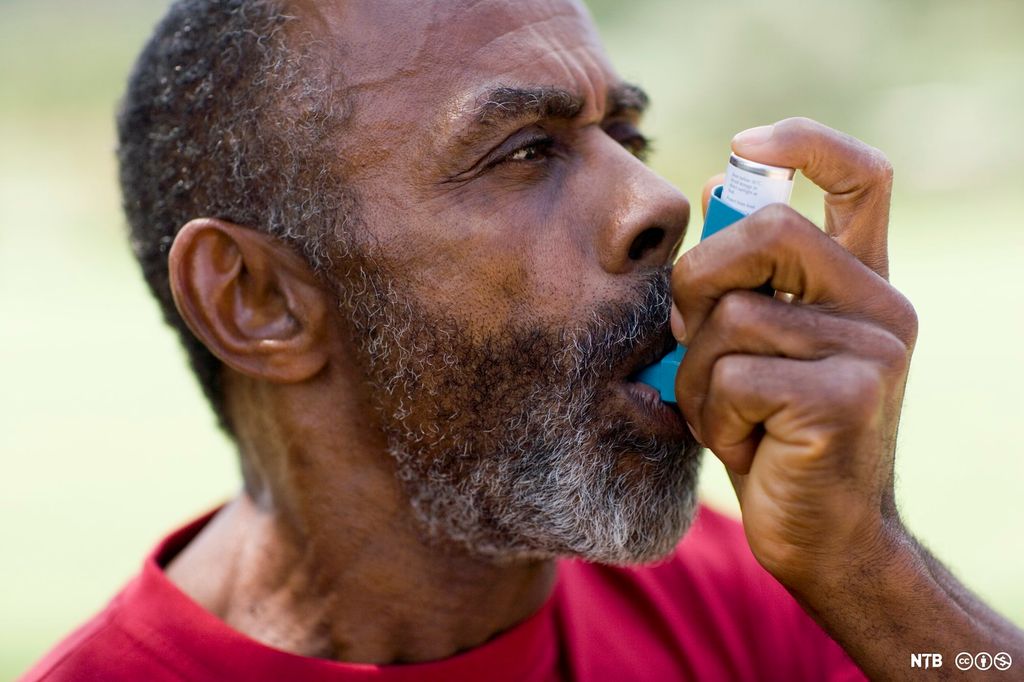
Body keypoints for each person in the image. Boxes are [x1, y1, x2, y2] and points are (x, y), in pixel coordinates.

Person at [23, 0, 1023, 680]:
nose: (657, 200)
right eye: (525, 151)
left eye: (622, 135)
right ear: (257, 300)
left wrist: (870, 566)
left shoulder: (752, 591)